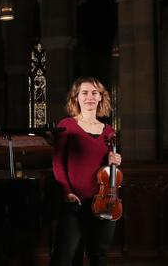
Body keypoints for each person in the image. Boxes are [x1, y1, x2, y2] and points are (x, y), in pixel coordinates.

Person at [50, 77, 122, 266]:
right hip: (76, 201)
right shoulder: (67, 125)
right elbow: (58, 163)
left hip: (104, 201)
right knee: (65, 257)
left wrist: (115, 160)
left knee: (99, 255)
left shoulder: (109, 131)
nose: (90, 97)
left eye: (94, 93)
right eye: (85, 93)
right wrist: (67, 191)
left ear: (100, 98)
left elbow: (109, 170)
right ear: (76, 98)